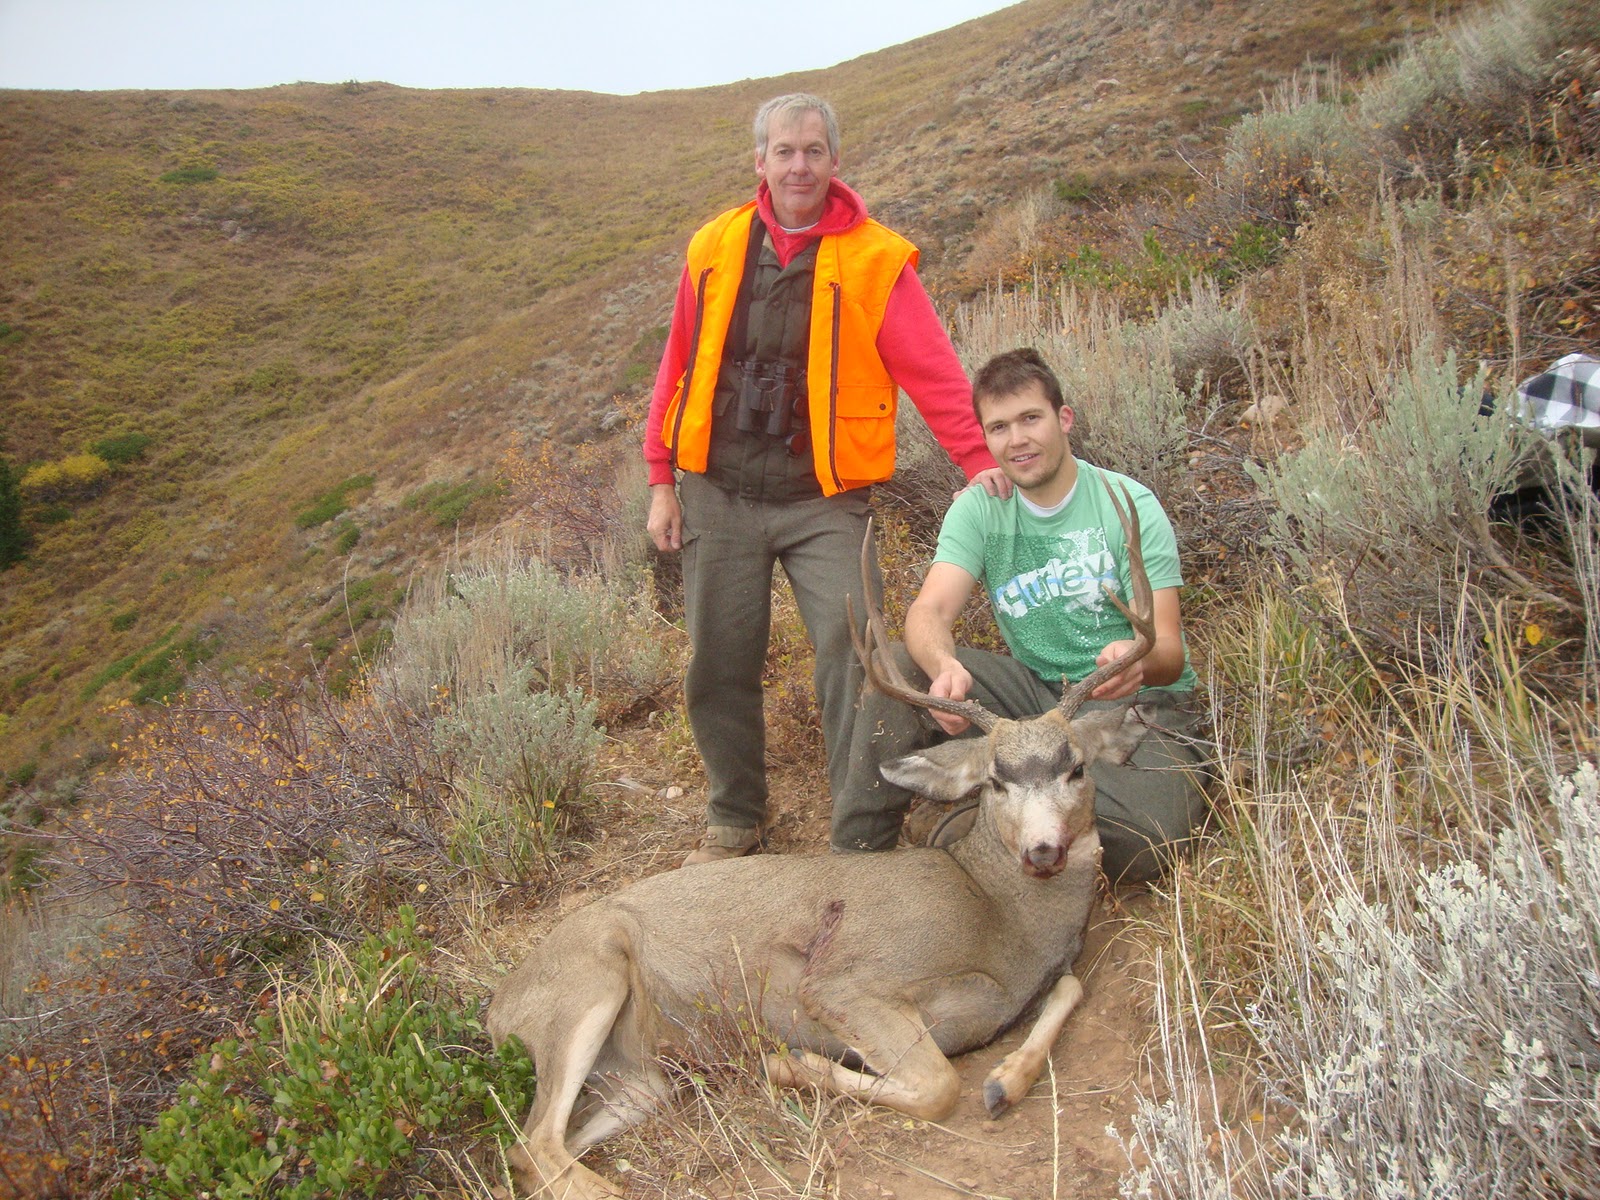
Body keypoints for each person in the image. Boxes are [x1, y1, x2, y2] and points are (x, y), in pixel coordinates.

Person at [644, 93, 1009, 866]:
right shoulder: (713, 247)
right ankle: (734, 817)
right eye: (784, 151)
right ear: (760, 162)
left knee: (862, 658)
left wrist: (979, 460)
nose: (799, 165)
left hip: (826, 502)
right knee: (719, 660)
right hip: (719, 491)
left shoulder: (877, 259)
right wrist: (660, 478)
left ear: (835, 162)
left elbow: (936, 374)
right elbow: (676, 366)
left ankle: (863, 834)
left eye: (813, 150)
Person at [832, 348, 1209, 883]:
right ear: (985, 438)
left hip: (1130, 703)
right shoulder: (980, 507)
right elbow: (930, 611)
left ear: (1064, 419)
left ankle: (983, 819)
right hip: (1037, 700)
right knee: (899, 665)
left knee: (1153, 844)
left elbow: (1168, 648)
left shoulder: (1128, 503)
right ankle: (853, 862)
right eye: (1000, 427)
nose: (1017, 440)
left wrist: (1137, 662)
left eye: (1031, 418)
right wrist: (942, 666)